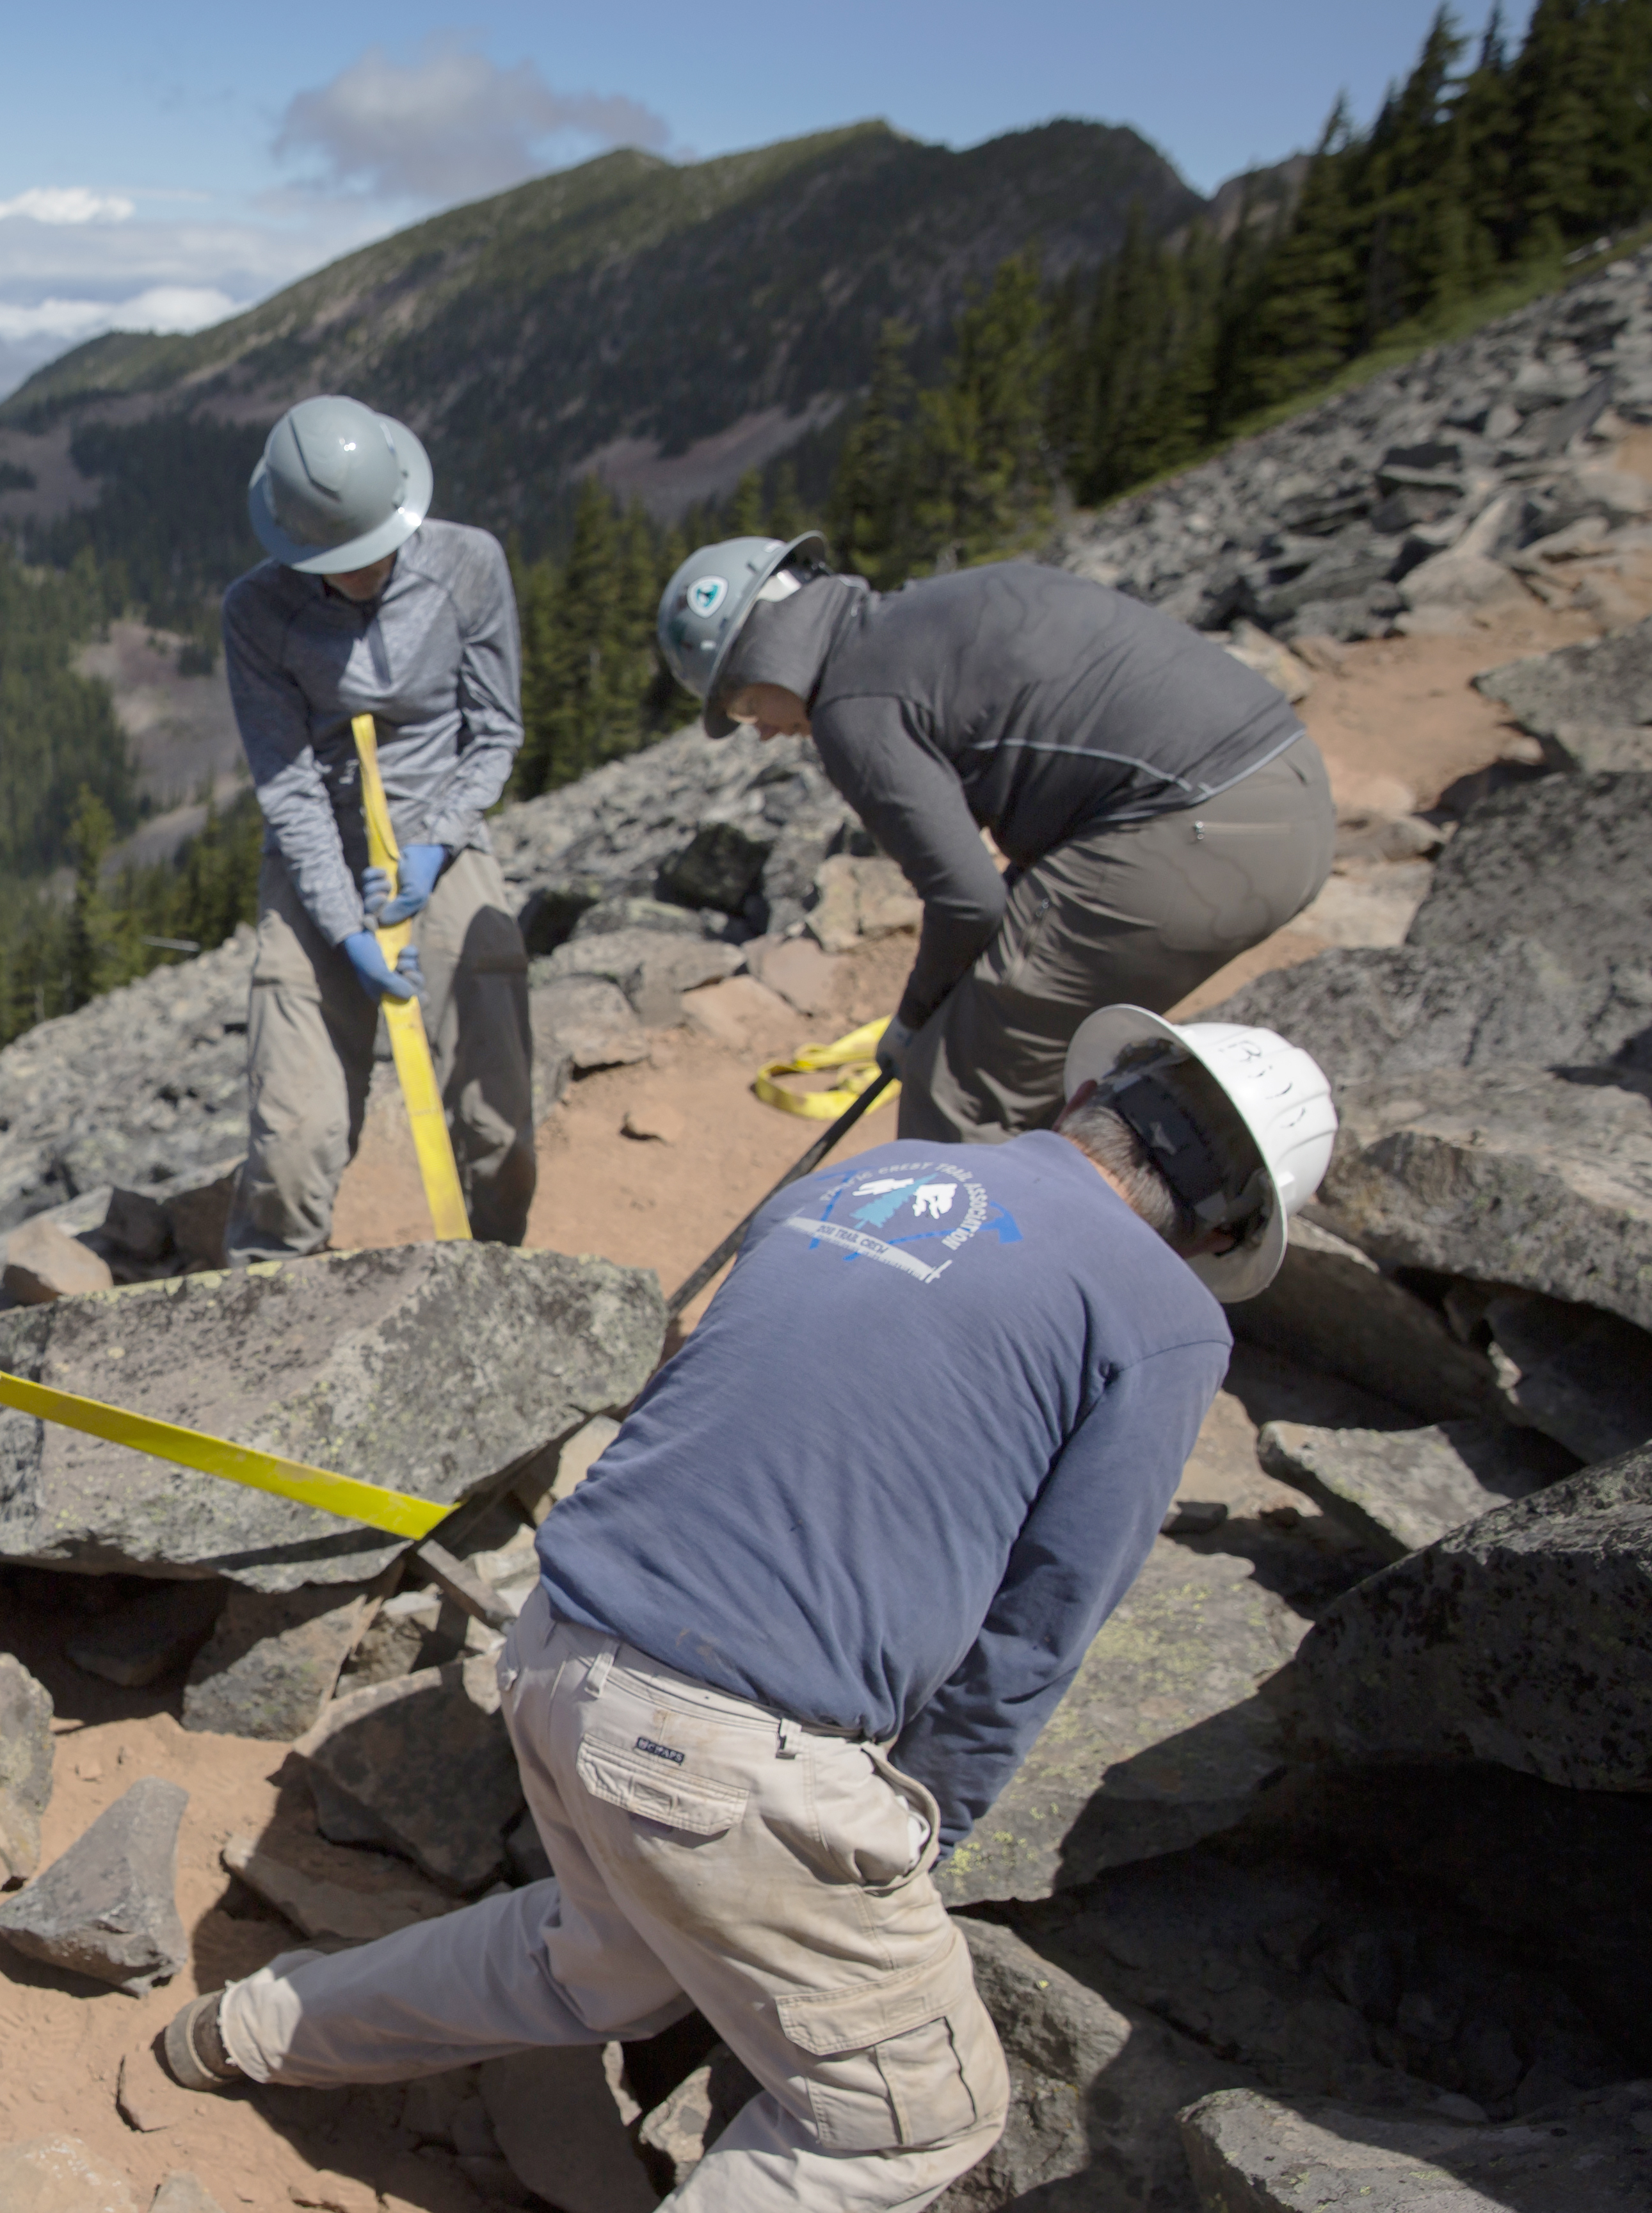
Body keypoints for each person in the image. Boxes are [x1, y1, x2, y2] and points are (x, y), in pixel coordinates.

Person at [155, 1010, 1339, 2212]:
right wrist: (927, 1822)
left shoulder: (876, 1173)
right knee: (914, 2121)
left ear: (1096, 1090)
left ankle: (237, 2031)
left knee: (599, 1963)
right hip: (725, 1736)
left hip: (563, 1639)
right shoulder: (1168, 1318)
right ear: (1229, 1225)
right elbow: (1043, 1621)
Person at [658, 536, 1335, 1145]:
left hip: (1196, 832)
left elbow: (967, 899)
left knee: (954, 1089)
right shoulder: (950, 598)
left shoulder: (851, 707)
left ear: (767, 655)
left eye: (742, 705)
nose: (762, 730)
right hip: (1289, 785)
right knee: (1029, 1042)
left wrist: (912, 1022)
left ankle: (965, 1276)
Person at [221, 393, 539, 1259]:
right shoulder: (255, 614)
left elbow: (496, 731)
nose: (364, 573)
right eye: (337, 560)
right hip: (317, 843)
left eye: (375, 552)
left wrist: (434, 843)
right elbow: (286, 786)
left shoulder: (469, 565)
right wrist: (343, 925)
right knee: (292, 1146)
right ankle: (260, 1315)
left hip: (444, 832)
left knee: (497, 1122)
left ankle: (497, 1283)